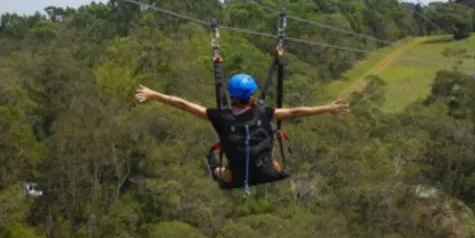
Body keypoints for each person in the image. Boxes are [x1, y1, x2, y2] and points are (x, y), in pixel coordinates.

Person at [135, 73, 348, 188]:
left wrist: (156, 95)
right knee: (269, 142)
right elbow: (296, 112)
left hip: (236, 177)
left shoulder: (221, 116)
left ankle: (218, 169)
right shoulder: (264, 113)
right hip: (269, 171)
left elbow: (183, 104)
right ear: (253, 96)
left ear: (232, 96)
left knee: (216, 166)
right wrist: (327, 108)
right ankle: (264, 163)